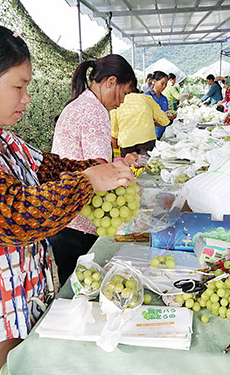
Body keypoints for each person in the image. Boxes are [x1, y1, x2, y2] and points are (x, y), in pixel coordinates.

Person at [0, 21, 135, 375]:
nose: (27, 98)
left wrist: (102, 169)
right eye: (18, 86)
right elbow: (14, 217)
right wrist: (88, 180)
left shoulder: (0, 139)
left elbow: (50, 167)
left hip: (17, 309)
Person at [50, 54, 137, 285]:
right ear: (110, 82)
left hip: (66, 214)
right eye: (125, 93)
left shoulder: (80, 104)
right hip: (80, 219)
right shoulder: (94, 111)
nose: (122, 101)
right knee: (83, 287)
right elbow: (98, 167)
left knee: (74, 285)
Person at [111, 90, 170, 156]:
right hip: (147, 140)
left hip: (126, 142)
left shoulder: (116, 101)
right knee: (148, 164)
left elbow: (114, 132)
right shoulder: (147, 98)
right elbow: (164, 121)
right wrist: (153, 124)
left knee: (128, 165)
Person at [144, 70, 175, 139]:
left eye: (166, 84)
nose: (164, 86)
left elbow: (165, 114)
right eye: (162, 83)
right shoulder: (146, 96)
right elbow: (144, 117)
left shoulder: (164, 99)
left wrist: (171, 116)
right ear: (155, 81)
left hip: (162, 134)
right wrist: (162, 115)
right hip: (149, 136)